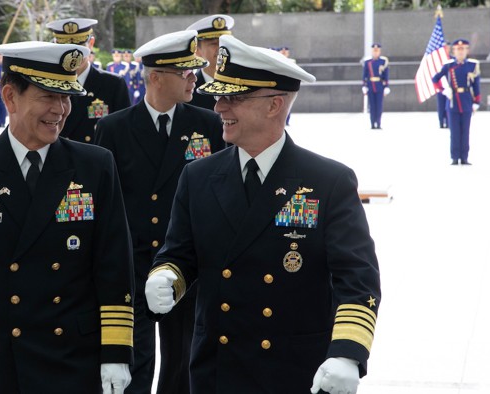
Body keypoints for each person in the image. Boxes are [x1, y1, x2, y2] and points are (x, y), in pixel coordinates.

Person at [144, 35, 381, 394]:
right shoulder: (198, 176)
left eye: (233, 98)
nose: (219, 107)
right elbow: (179, 254)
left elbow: (357, 279)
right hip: (217, 369)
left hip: (293, 370)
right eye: (219, 96)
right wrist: (165, 277)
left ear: (274, 105)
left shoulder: (327, 181)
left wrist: (348, 353)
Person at [0, 41, 134, 394]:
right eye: (48, 97)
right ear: (10, 97)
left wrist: (116, 350)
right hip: (0, 353)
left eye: (66, 97)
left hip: (73, 351)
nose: (61, 109)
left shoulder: (95, 165)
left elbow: (114, 262)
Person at [96, 30, 225, 394]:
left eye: (194, 71)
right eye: (185, 73)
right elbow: (108, 204)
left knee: (183, 363)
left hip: (186, 265)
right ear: (155, 77)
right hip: (134, 264)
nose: (194, 79)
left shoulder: (207, 124)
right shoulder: (114, 127)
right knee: (133, 361)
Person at [46, 17, 130, 144]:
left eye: (79, 46)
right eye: (65, 47)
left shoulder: (113, 84)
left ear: (91, 43)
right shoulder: (46, 84)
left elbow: (124, 134)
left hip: (98, 160)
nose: (73, 54)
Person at [432, 39, 480, 165]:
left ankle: (464, 157)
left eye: (463, 49)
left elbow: (476, 85)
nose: (460, 52)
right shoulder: (449, 65)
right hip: (453, 101)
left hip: (466, 100)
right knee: (454, 131)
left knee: (465, 130)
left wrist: (476, 102)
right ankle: (454, 156)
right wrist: (444, 90)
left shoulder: (472, 65)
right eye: (458, 49)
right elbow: (435, 79)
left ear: (467, 51)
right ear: (453, 51)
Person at [186, 14, 234, 111]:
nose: (221, 47)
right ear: (197, 51)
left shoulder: (242, 83)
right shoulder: (188, 91)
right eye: (214, 43)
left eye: (224, 42)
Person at [362, 43, 389, 129]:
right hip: (370, 85)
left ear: (379, 52)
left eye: (377, 51)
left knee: (379, 106)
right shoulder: (368, 62)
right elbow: (365, 75)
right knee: (372, 106)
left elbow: (386, 75)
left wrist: (386, 86)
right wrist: (364, 86)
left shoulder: (383, 61)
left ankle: (379, 123)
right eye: (374, 51)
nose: (376, 52)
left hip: (379, 86)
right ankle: (372, 123)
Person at [436, 43, 451, 129]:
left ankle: (449, 122)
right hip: (441, 87)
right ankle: (441, 122)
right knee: (441, 106)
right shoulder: (437, 60)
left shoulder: (452, 59)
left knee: (449, 106)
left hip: (450, 87)